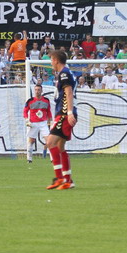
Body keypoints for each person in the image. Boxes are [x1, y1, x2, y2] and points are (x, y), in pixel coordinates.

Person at [45, 50, 78, 190]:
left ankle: (59, 178)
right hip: (64, 112)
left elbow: (68, 92)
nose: (51, 62)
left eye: (51, 59)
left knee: (50, 142)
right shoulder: (63, 73)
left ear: (56, 60)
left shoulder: (64, 73)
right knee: (60, 146)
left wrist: (69, 113)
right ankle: (68, 180)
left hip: (65, 113)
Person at [23, 85, 52, 163]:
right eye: (35, 90)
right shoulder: (30, 101)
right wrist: (26, 119)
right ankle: (29, 158)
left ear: (41, 91)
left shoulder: (46, 100)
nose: (37, 91)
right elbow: (25, 111)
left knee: (49, 140)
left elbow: (49, 111)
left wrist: (50, 121)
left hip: (43, 123)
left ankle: (52, 159)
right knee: (31, 141)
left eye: (38, 90)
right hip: (33, 123)